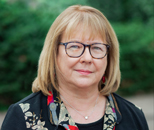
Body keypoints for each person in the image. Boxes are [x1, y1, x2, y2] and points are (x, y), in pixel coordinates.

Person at [1, 5, 149, 130]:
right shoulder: (22, 118)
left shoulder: (134, 116)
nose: (86, 58)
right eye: (74, 47)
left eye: (97, 48)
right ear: (54, 53)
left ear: (109, 57)